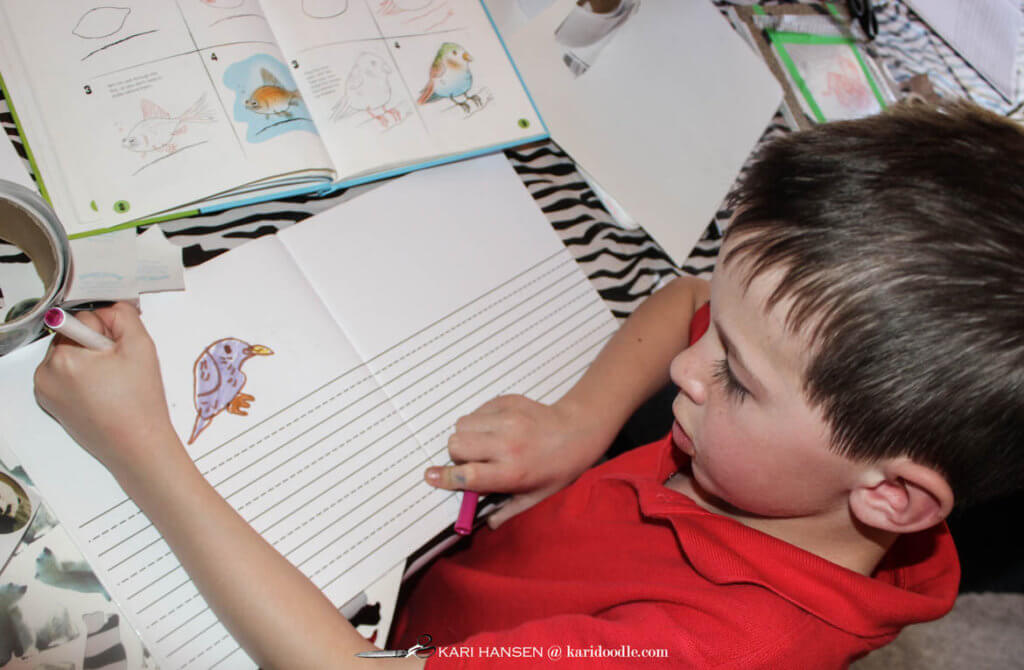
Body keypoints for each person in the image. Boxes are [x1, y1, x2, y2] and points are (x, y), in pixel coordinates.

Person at [34, 100, 1024, 668]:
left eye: (736, 379)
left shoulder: (715, 648)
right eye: (720, 332)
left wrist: (143, 446)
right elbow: (679, 295)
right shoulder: (802, 439)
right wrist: (582, 423)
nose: (688, 362)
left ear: (890, 494)